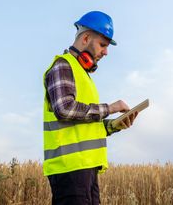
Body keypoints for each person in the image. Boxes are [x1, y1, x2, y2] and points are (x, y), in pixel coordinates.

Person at [43, 11, 137, 205]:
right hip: (70, 172)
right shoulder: (63, 65)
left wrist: (114, 126)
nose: (106, 52)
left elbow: (86, 126)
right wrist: (110, 108)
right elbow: (65, 109)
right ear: (85, 38)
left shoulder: (83, 75)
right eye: (103, 45)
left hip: (86, 171)